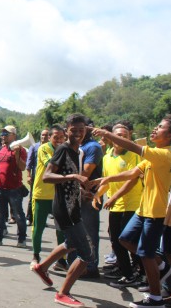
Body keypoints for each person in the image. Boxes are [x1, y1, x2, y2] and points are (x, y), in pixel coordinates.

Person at [90, 114, 171, 308]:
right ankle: (162, 267)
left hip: (156, 211)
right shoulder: (155, 153)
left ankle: (155, 298)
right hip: (144, 209)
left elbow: (133, 147)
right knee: (125, 239)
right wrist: (106, 180)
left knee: (146, 254)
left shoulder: (164, 155)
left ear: (169, 136)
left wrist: (106, 133)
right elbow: (134, 173)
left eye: (160, 127)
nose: (155, 129)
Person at [31, 113, 94, 308]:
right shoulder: (63, 150)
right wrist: (74, 176)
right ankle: (63, 293)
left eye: (81, 130)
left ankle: (42, 267)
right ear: (66, 131)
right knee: (87, 254)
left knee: (69, 243)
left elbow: (72, 183)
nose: (77, 134)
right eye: (73, 131)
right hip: (63, 208)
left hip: (73, 205)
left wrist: (82, 194)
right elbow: (47, 176)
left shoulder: (79, 152)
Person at [97, 122, 143, 287]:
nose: (121, 138)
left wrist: (114, 196)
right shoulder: (107, 156)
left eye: (125, 136)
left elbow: (132, 180)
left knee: (128, 240)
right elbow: (106, 181)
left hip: (132, 205)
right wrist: (97, 195)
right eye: (118, 135)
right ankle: (128, 274)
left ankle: (142, 272)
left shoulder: (134, 155)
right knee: (116, 241)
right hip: (115, 206)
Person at [30, 125, 67, 270]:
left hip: (58, 196)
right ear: (50, 137)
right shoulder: (43, 148)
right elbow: (51, 165)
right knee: (38, 228)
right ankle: (36, 255)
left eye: (61, 137)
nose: (58, 140)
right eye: (55, 137)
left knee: (61, 230)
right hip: (41, 194)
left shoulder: (66, 149)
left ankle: (61, 260)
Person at [0, 125, 27, 247]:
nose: (3, 136)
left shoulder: (21, 150)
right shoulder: (2, 150)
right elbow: (3, 168)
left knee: (18, 215)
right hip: (0, 187)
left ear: (13, 136)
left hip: (14, 188)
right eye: (2, 134)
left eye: (6, 134)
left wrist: (17, 153)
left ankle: (22, 239)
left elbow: (22, 167)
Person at [77, 117, 104, 279]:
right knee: (78, 232)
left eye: (83, 128)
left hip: (88, 196)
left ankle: (91, 266)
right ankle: (81, 263)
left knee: (90, 232)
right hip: (78, 194)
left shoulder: (92, 147)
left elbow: (85, 173)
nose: (79, 132)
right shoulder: (80, 146)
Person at [26, 129, 49, 226]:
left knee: (46, 198)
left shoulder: (50, 147)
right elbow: (29, 161)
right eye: (42, 135)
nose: (44, 137)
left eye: (46, 135)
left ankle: (42, 219)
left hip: (47, 177)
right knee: (33, 197)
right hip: (36, 176)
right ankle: (30, 218)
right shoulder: (34, 146)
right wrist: (28, 175)